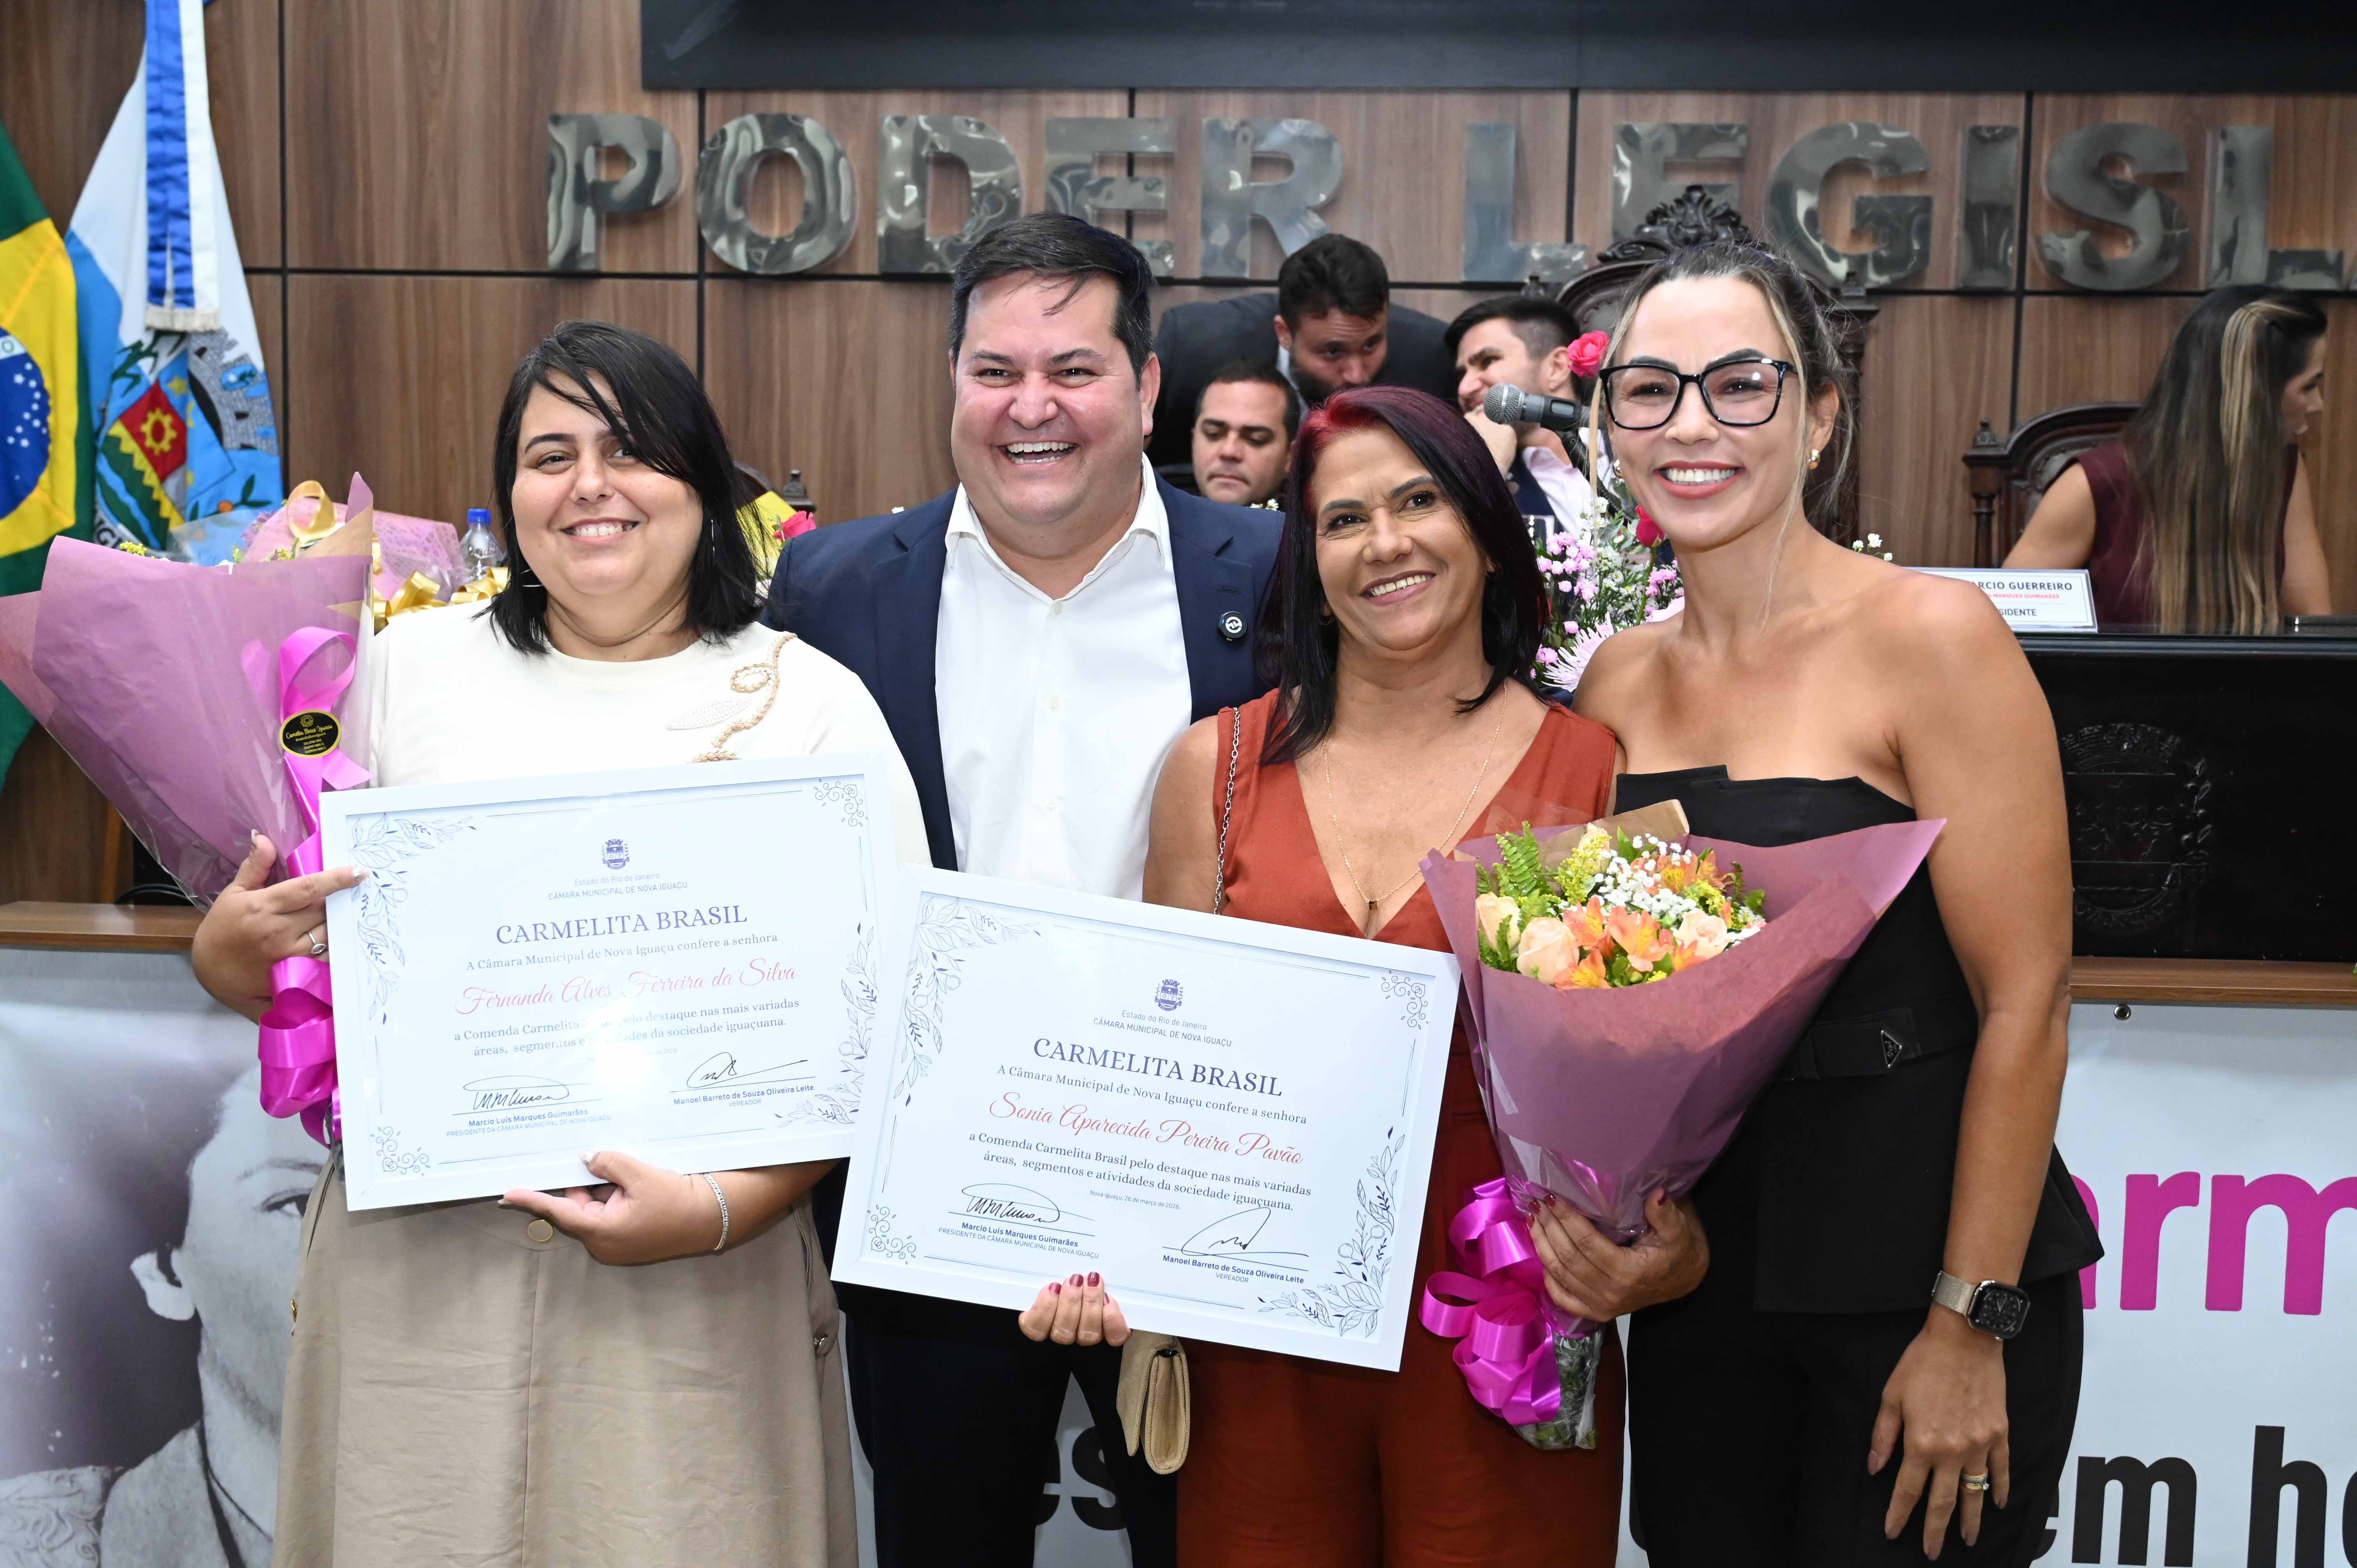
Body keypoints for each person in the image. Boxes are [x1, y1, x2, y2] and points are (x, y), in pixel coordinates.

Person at [187, 320, 928, 1568]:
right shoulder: (395, 670)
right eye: (550, 454)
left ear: (702, 485)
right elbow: (281, 960)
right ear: (512, 494)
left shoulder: (810, 702)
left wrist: (712, 1210)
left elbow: (889, 1031)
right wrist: (231, 951)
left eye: (630, 449)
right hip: (420, 1284)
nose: (590, 484)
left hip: (695, 1285)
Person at [1020, 385, 1627, 1566]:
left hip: (1500, 1329)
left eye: (1420, 501)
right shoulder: (1218, 769)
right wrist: (1092, 1242)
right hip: (1262, 1340)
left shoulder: (1591, 769)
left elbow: (1631, 1088)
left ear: (1490, 540)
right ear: (1309, 559)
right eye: (1344, 520)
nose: (1385, 543)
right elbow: (1163, 1083)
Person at [1565, 239, 2103, 1565]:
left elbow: (2023, 1002)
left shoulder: (1932, 638)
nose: (1689, 425)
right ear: (1608, 428)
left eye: (1737, 384)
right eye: (1647, 391)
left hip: (1919, 1280)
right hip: (1706, 1293)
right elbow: (1632, 1013)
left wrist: (1969, 1322)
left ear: (1816, 417)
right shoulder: (1611, 683)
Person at [764, 212, 1282, 1568]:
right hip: (933, 1217)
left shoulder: (1274, 582)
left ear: (1146, 386)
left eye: (1073, 367)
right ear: (950, 383)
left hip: (1201, 1211)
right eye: (994, 370)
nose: (1030, 406)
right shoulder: (827, 590)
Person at [0, 1067, 323, 1568]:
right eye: (301, 1204)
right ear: (168, 1274)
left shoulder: (481, 1510)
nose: (363, 1265)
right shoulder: (26, 1545)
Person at [2005, 286, 2332, 630]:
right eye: (2309, 387)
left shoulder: (2283, 470)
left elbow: (2311, 627)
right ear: (2255, 394)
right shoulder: (2092, 484)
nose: (2318, 404)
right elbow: (2009, 628)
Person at [1147, 233, 1457, 470]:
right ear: (1285, 333)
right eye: (1333, 352)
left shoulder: (1429, 361)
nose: (1357, 374)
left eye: (1371, 345)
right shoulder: (1196, 349)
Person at [1447, 295, 1598, 533]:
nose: (1464, 389)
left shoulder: (1634, 447)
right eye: (1461, 375)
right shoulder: (1473, 480)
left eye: (1488, 361)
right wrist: (1485, 464)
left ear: (1557, 368)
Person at [1190, 359, 1299, 505]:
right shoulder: (1158, 510)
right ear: (1193, 441)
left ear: (1292, 456)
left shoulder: (1315, 526)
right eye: (1213, 434)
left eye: (1256, 439)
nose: (1229, 451)